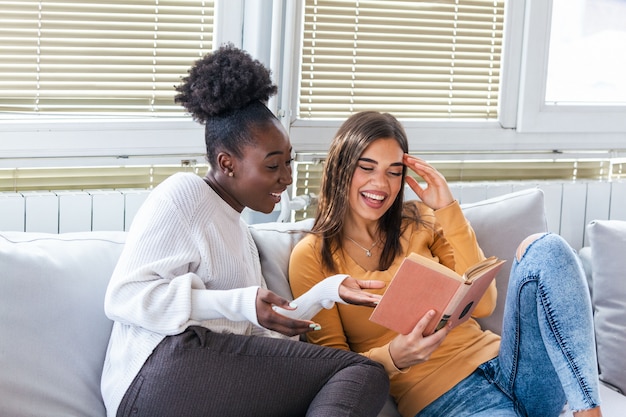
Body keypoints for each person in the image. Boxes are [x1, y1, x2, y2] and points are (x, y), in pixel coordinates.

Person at [100, 45, 390, 417]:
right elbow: (123, 297)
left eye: (289, 162)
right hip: (153, 377)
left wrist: (330, 290)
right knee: (359, 371)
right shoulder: (184, 194)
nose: (287, 177)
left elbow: (261, 332)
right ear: (227, 163)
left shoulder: (240, 234)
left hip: (203, 379)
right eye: (273, 166)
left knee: (359, 376)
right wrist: (241, 303)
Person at [289, 111, 603, 417]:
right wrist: (393, 356)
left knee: (546, 247)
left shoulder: (419, 219)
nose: (380, 184)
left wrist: (447, 208)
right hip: (448, 400)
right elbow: (336, 369)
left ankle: (589, 411)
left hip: (514, 367)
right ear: (340, 168)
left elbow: (483, 305)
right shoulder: (312, 256)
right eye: (366, 167)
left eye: (393, 171)